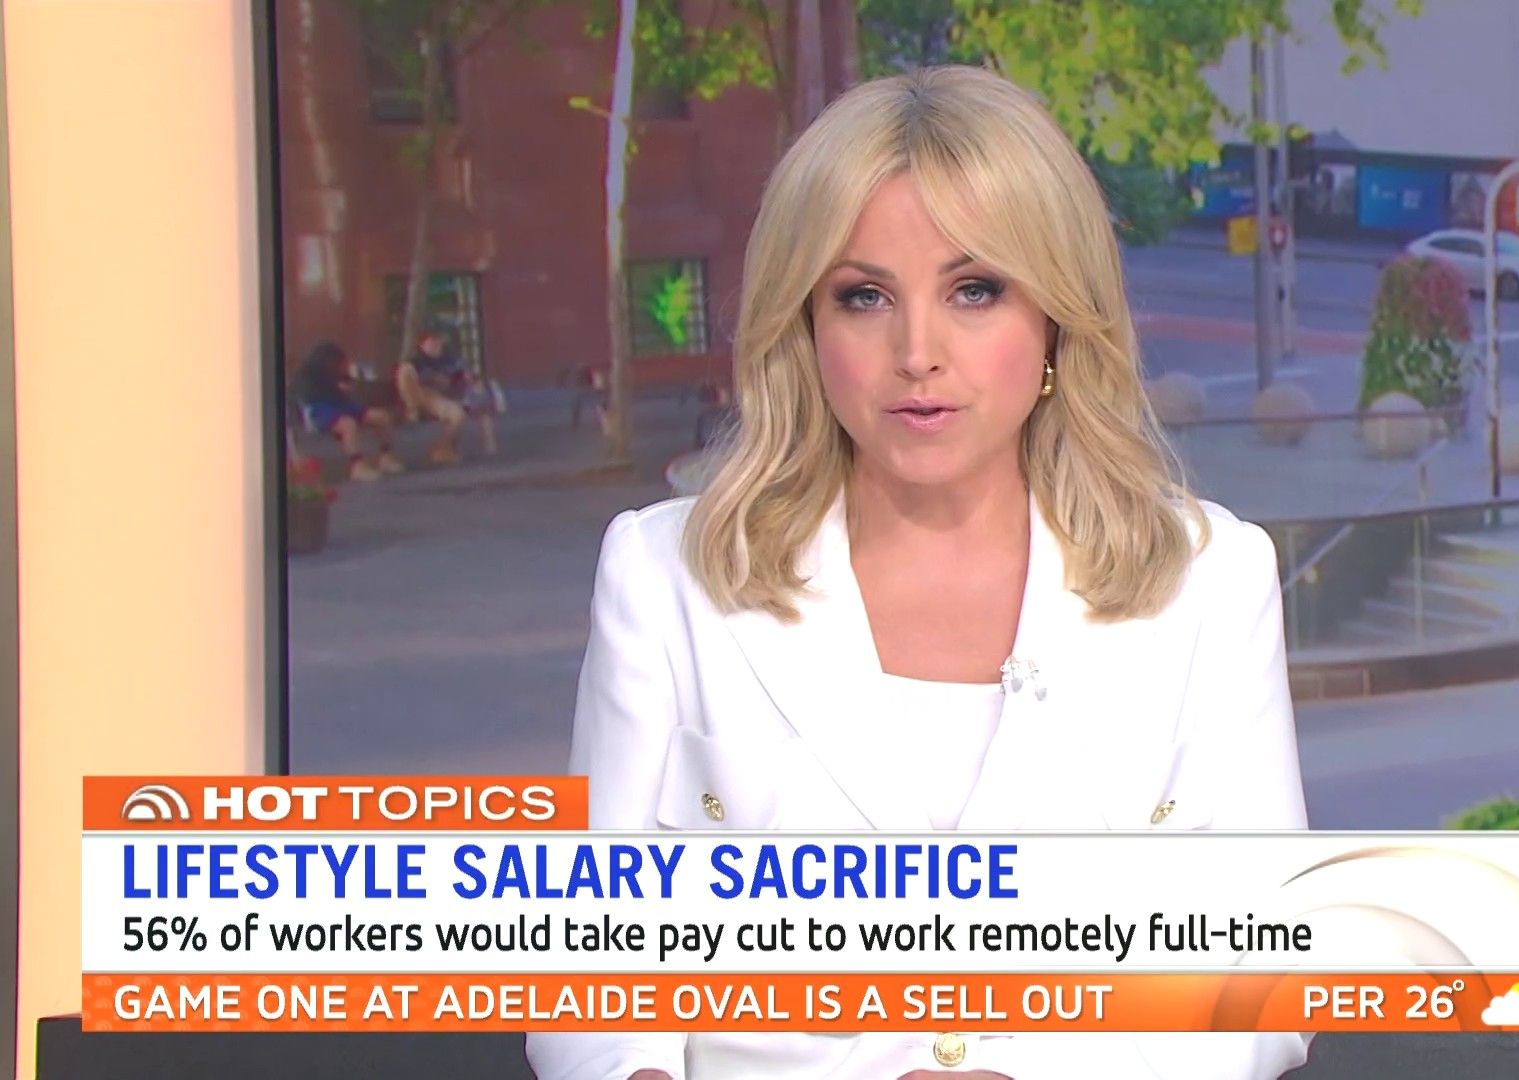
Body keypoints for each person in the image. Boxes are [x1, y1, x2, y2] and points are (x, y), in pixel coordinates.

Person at [528, 65, 1309, 1080]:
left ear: (1057, 320)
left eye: (974, 290)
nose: (917, 352)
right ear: (806, 327)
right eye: (864, 297)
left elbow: (1267, 991)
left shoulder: (1211, 581)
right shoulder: (664, 577)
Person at [294, 341, 402, 481]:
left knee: (381, 417)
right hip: (319, 410)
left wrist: (350, 378)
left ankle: (386, 457)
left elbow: (349, 387)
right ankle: (357, 466)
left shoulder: (336, 371)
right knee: (348, 424)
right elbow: (309, 397)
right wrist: (336, 388)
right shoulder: (306, 375)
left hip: (341, 405)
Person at [396, 328, 498, 463]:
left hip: (449, 396)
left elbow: (465, 374)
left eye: (438, 343)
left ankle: (444, 448)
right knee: (457, 413)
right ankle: (443, 448)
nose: (435, 346)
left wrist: (470, 381)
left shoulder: (450, 360)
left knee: (469, 407)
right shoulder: (416, 362)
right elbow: (410, 378)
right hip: (426, 396)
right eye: (431, 343)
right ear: (422, 346)